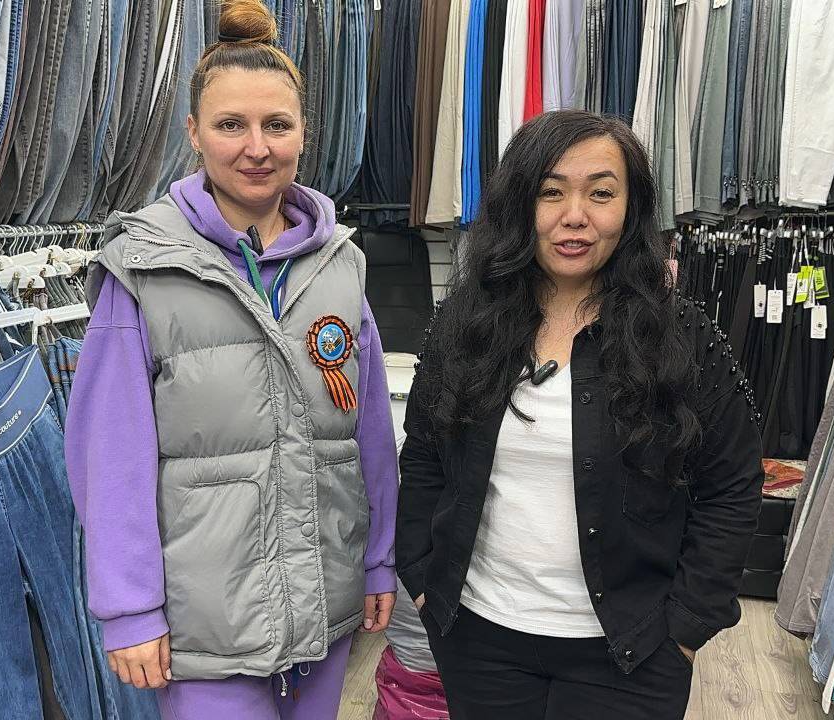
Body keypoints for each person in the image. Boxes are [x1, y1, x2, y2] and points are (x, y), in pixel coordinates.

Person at [64, 2, 399, 718]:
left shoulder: (340, 265)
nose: (257, 148)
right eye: (230, 125)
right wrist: (129, 608)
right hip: (206, 625)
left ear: (304, 131)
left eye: (277, 125)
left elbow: (367, 435)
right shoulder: (144, 269)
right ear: (193, 133)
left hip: (324, 604)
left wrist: (378, 558)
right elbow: (110, 453)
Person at [395, 110, 764, 719]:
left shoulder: (680, 334)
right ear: (520, 204)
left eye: (600, 193)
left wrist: (687, 625)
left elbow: (732, 484)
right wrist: (420, 573)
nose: (575, 216)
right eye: (551, 192)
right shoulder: (467, 322)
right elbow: (425, 454)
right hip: (480, 638)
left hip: (630, 650)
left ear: (631, 208)